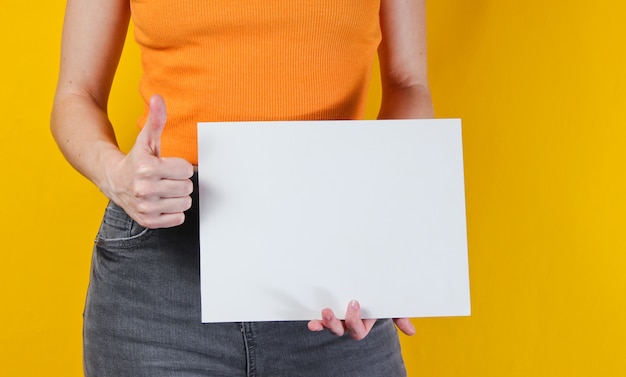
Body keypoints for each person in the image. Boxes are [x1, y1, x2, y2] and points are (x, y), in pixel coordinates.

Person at [51, 0, 434, 376]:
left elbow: (408, 82)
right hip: (163, 261)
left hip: (329, 251)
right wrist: (117, 175)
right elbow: (76, 95)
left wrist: (386, 238)